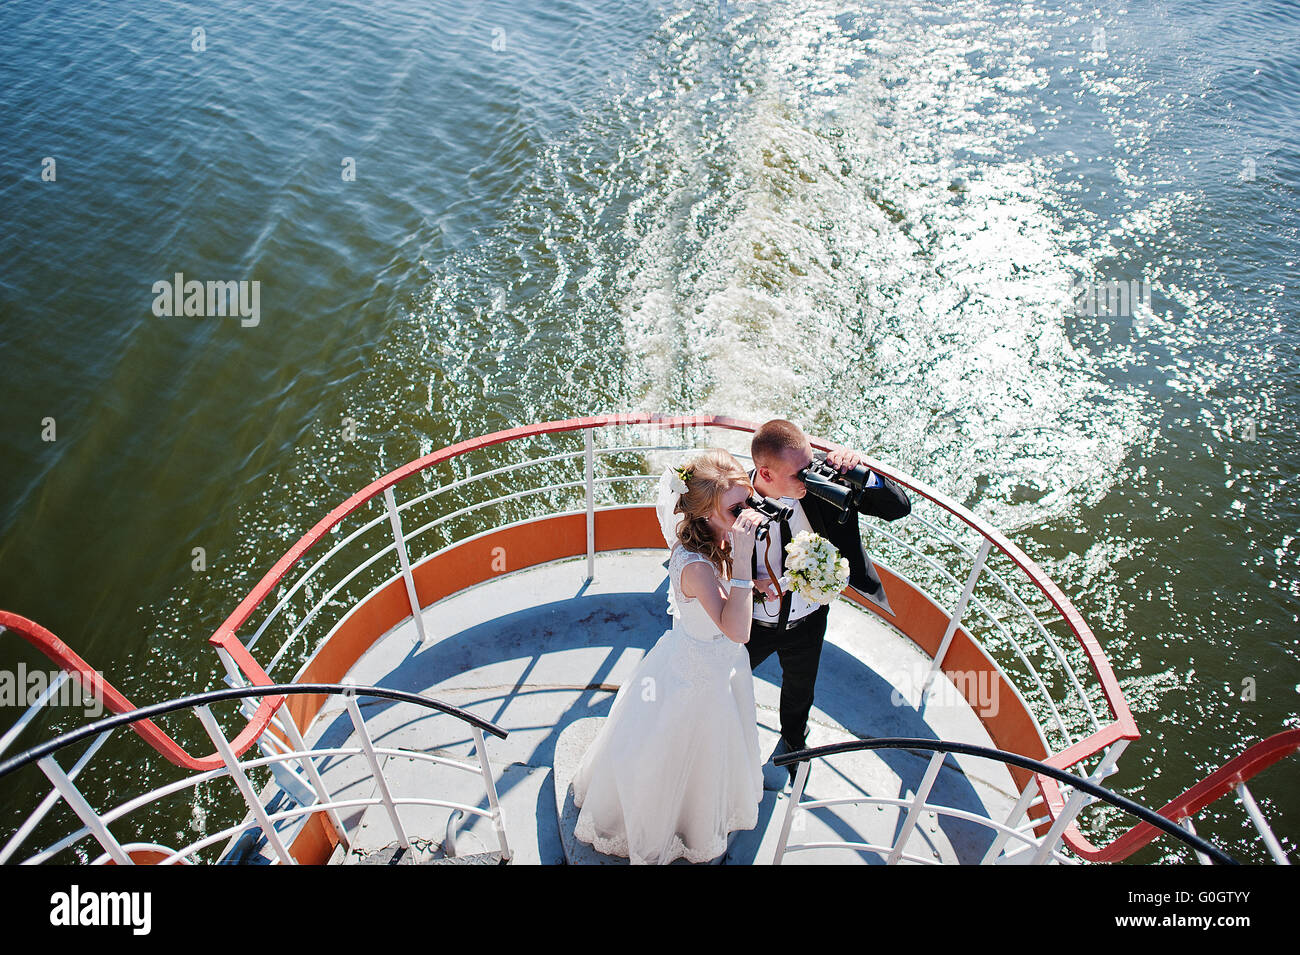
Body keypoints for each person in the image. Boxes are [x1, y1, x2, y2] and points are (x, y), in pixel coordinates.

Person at [571, 449, 765, 864]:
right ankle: (661, 827)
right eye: (737, 507)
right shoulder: (695, 565)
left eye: (748, 501)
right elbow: (739, 630)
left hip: (716, 666)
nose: (748, 512)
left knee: (710, 757)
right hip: (694, 679)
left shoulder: (716, 539)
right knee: (671, 754)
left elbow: (729, 602)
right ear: (707, 512)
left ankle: (698, 815)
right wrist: (746, 561)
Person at [744, 419, 911, 789]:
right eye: (799, 471)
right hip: (749, 625)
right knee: (727, 682)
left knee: (801, 689)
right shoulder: (733, 497)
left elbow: (898, 508)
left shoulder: (822, 485)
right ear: (765, 473)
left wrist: (861, 474)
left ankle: (792, 743)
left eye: (810, 463)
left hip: (808, 620)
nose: (810, 474)